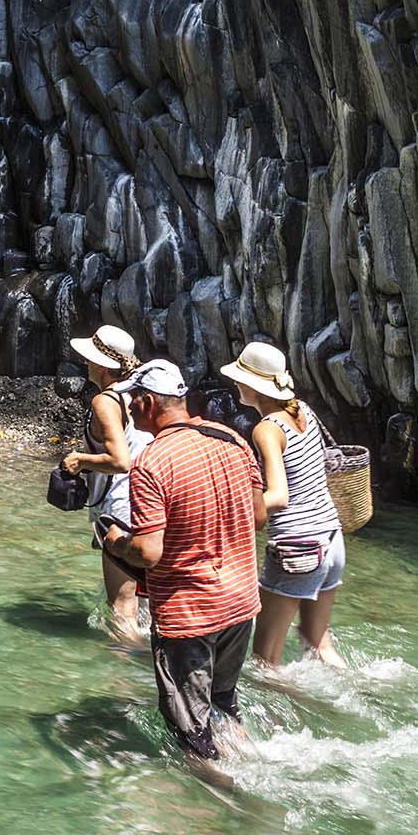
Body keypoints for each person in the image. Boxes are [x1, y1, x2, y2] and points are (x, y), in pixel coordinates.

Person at [100, 359, 265, 765]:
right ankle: (252, 763)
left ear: (149, 402)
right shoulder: (232, 439)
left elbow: (149, 552)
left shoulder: (152, 462)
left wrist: (118, 542)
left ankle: (226, 803)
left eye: (133, 401)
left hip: (189, 615)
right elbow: (259, 515)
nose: (130, 409)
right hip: (241, 603)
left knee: (190, 732)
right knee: (224, 704)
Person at [220, 341, 346, 669]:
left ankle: (287, 719)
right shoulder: (302, 409)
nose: (235, 384)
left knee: (265, 661)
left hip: (298, 547)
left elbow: (278, 496)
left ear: (253, 386)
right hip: (332, 539)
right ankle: (362, 693)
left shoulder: (267, 429)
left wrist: (227, 511)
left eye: (239, 378)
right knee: (318, 643)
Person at [59, 325, 152, 638]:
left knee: (122, 611)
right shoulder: (143, 395)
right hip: (151, 508)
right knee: (146, 609)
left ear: (101, 365)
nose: (85, 364)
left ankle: (124, 682)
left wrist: (79, 460)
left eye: (89, 359)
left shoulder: (105, 401)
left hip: (119, 512)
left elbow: (120, 460)